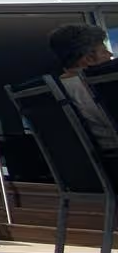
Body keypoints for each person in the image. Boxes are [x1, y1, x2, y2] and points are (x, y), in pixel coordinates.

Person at [47, 22, 118, 156]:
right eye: (104, 50)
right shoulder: (104, 82)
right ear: (89, 58)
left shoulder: (55, 90)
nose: (109, 54)